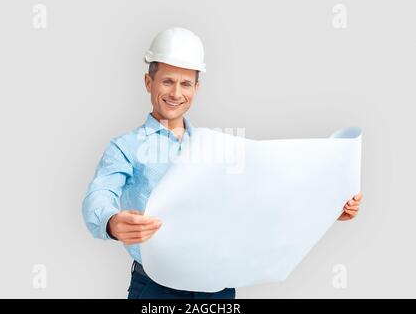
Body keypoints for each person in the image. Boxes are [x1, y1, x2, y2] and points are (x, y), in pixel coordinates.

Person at [82, 27, 363, 299]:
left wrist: (326, 208)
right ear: (148, 83)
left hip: (217, 287)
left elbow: (263, 200)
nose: (176, 93)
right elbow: (99, 195)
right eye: (167, 81)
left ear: (196, 88)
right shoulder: (126, 147)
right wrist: (111, 222)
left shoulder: (214, 148)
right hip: (156, 288)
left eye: (186, 83)